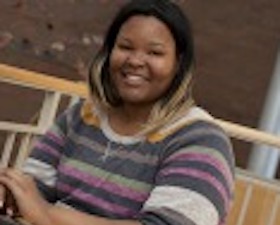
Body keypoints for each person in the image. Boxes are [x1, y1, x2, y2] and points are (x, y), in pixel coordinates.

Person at [0, 0, 235, 224]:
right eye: (125, 47)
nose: (135, 60)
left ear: (178, 63)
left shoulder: (200, 140)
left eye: (154, 53)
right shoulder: (82, 116)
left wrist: (48, 216)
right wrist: (11, 192)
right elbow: (33, 190)